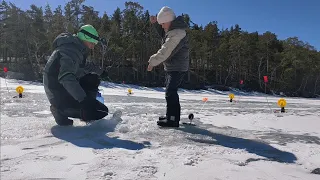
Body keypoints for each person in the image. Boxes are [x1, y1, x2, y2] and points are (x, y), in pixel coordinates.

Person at [43, 24, 109, 126]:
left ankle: (83, 110)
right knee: (100, 111)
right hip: (57, 93)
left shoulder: (75, 49)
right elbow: (66, 77)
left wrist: (101, 72)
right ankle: (60, 110)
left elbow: (86, 66)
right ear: (85, 38)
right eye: (92, 43)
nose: (92, 47)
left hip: (63, 89)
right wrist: (83, 99)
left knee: (93, 78)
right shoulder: (70, 51)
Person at [148, 6, 189, 127]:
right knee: (170, 91)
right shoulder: (172, 30)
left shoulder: (178, 34)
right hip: (172, 67)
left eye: (162, 23)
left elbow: (165, 51)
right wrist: (155, 23)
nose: (162, 26)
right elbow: (163, 33)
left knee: (171, 92)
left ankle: (173, 119)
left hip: (177, 68)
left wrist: (152, 62)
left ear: (169, 21)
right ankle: (170, 115)